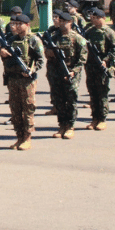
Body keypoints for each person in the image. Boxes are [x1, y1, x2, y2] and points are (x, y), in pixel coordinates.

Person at [0, 14, 43, 150]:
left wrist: (31, 70)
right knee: (15, 109)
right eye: (14, 24)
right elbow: (6, 61)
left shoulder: (34, 40)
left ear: (27, 25)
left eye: (19, 24)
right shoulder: (11, 40)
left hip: (26, 80)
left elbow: (40, 60)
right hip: (13, 78)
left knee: (28, 108)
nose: (16, 26)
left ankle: (27, 138)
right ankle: (19, 137)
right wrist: (3, 54)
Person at [44, 11, 88, 139]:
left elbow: (83, 58)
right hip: (56, 73)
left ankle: (70, 126)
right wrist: (49, 53)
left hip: (71, 73)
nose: (62, 24)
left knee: (70, 100)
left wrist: (74, 71)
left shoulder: (77, 38)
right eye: (61, 21)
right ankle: (61, 125)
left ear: (71, 23)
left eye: (65, 22)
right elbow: (46, 53)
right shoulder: (54, 37)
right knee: (59, 100)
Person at [83, 9, 115, 130]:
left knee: (102, 93)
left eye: (96, 18)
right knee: (93, 93)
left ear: (103, 18)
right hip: (91, 66)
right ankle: (94, 118)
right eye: (92, 18)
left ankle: (102, 118)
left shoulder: (109, 32)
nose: (93, 20)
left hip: (102, 67)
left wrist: (106, 60)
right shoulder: (89, 32)